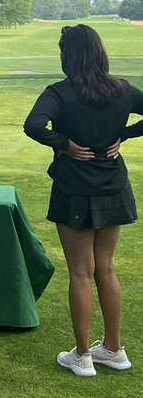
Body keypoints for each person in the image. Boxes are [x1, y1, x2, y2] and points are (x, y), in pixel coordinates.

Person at [24, 24, 143, 376]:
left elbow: (33, 125)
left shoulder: (59, 93)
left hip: (74, 189)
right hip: (113, 187)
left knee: (80, 272)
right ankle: (113, 349)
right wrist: (125, 133)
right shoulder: (120, 89)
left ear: (68, 55)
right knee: (105, 268)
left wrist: (62, 144)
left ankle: (83, 356)